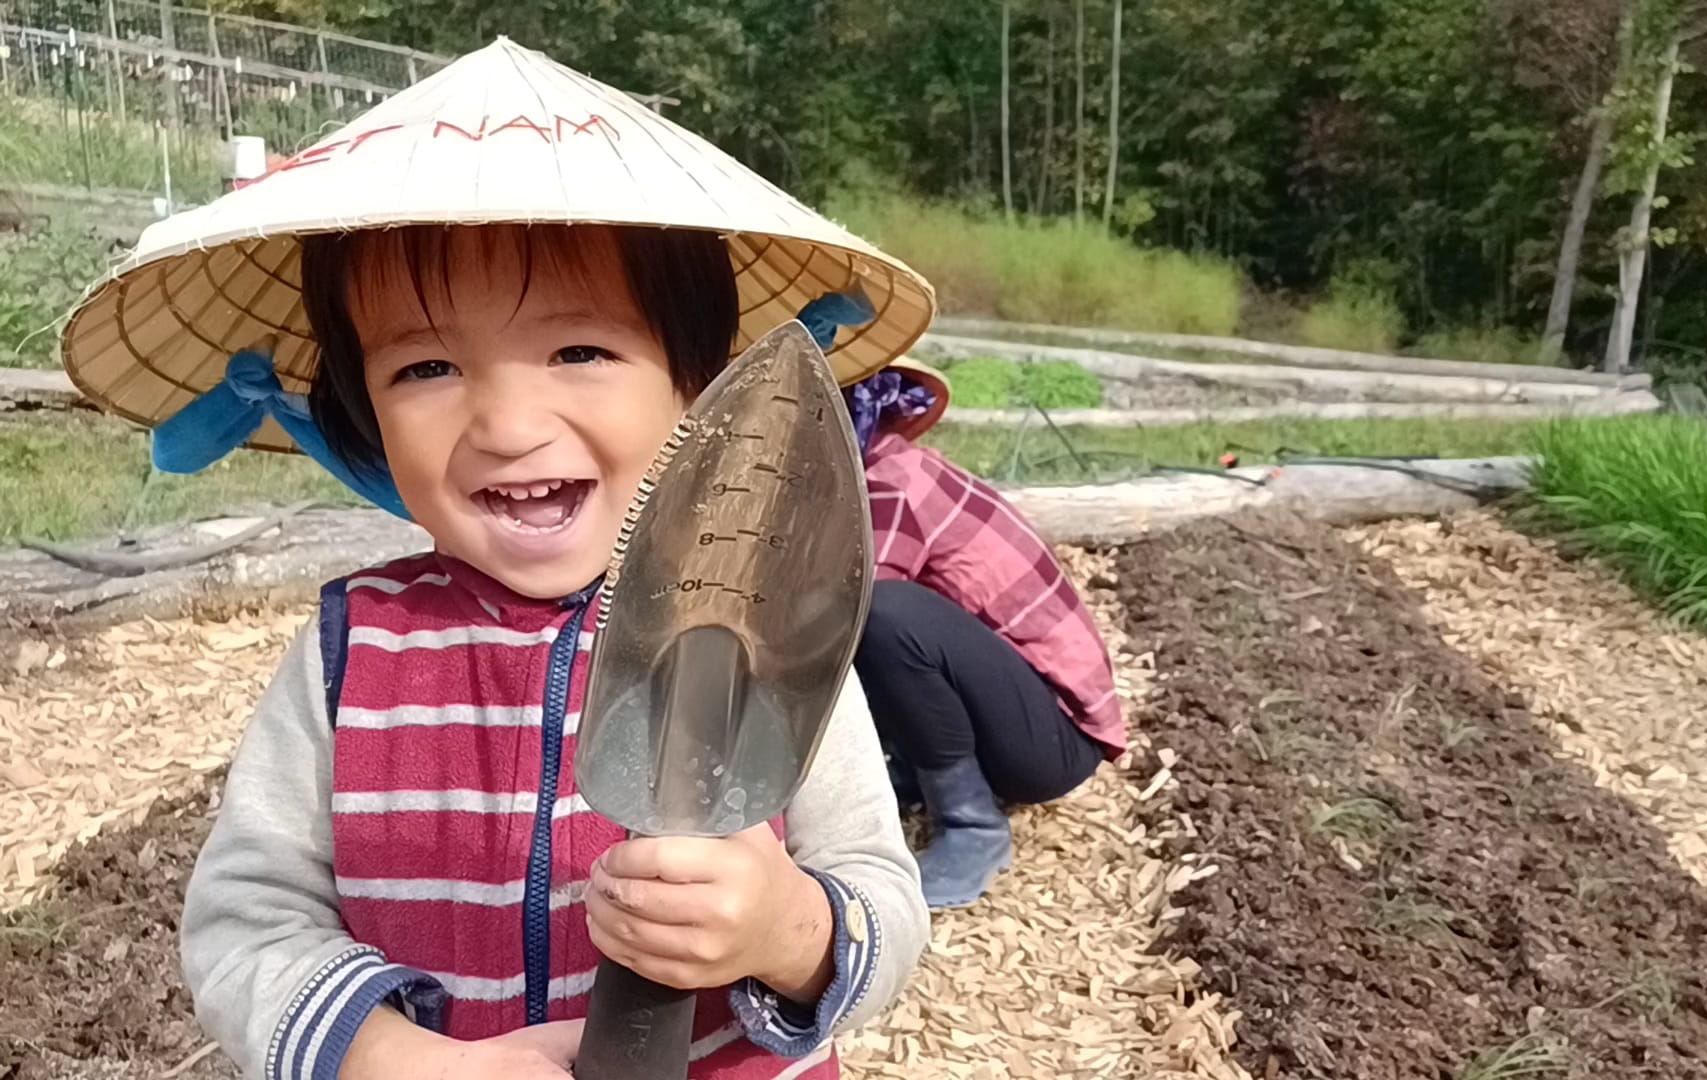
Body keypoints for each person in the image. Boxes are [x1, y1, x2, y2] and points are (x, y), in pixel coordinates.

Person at [59, 39, 935, 1080]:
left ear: (697, 392)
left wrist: (790, 934)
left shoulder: (750, 634)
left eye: (581, 352)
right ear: (363, 417)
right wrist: (397, 1059)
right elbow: (248, 921)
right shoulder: (354, 656)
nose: (510, 424)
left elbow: (879, 892)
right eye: (427, 366)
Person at [841, 360, 1127, 910]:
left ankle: (971, 823)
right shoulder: (887, 470)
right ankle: (912, 776)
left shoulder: (887, 486)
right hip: (1020, 718)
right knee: (872, 617)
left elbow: (850, 630)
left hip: (1053, 742)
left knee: (878, 614)